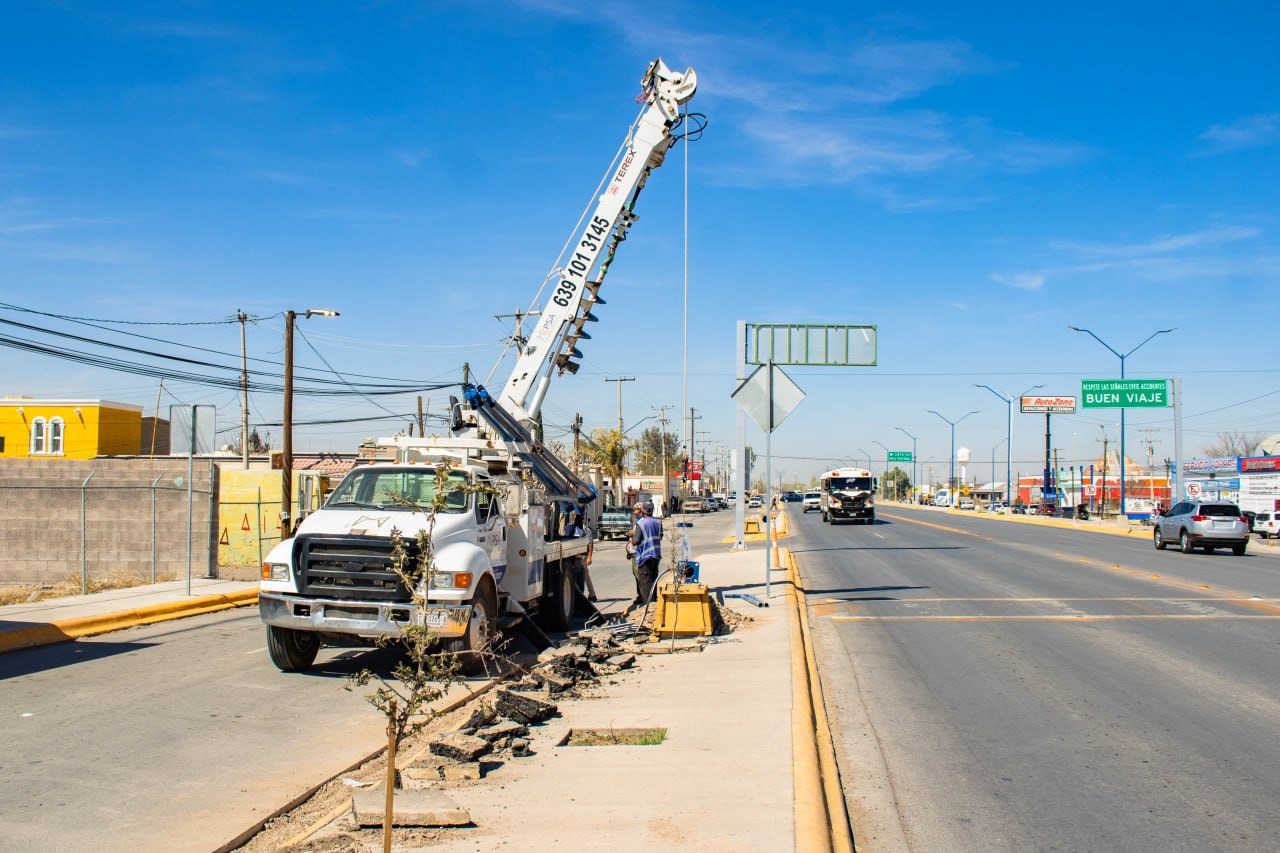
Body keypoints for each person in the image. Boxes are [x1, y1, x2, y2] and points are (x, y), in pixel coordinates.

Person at [628, 500, 663, 606]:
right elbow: (660, 536)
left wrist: (632, 539)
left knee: (645, 581)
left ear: (643, 511)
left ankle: (648, 605)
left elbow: (636, 541)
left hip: (644, 556)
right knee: (653, 578)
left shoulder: (641, 523)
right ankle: (654, 601)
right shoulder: (658, 522)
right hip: (656, 555)